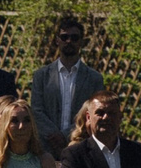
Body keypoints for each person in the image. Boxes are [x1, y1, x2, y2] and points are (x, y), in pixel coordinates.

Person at [27, 14, 105, 149]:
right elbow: (36, 110)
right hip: (46, 146)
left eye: (74, 38)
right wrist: (53, 134)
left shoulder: (94, 79)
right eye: (64, 37)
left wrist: (65, 135)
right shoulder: (42, 76)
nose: (69, 41)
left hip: (81, 145)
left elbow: (94, 112)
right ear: (57, 40)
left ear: (81, 42)